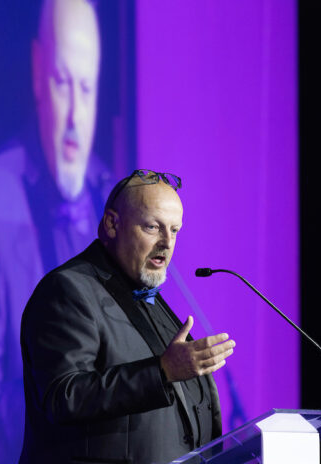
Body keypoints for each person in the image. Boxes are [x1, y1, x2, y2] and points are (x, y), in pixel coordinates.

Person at [0, 0, 112, 464]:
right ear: (38, 70)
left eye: (86, 89)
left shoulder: (112, 193)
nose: (74, 119)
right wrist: (84, 390)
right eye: (64, 82)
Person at [20, 170, 236, 464]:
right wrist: (162, 372)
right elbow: (64, 396)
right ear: (112, 224)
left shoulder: (146, 294)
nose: (167, 243)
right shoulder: (68, 290)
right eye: (152, 227)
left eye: (174, 230)